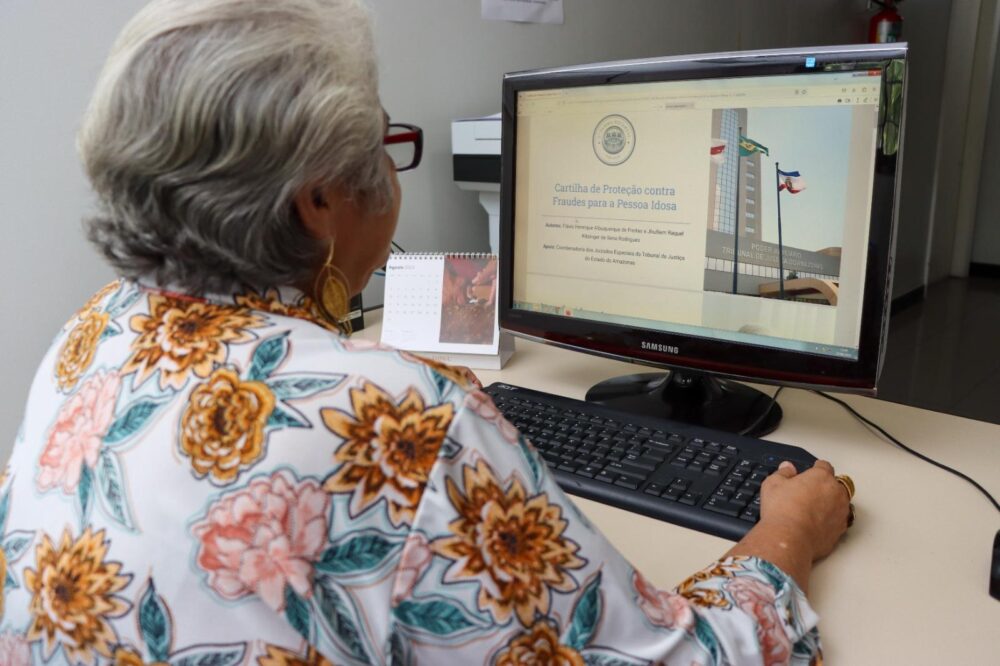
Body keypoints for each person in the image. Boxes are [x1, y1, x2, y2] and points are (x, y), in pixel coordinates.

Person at [0, 1, 851, 664]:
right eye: (381, 143)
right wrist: (790, 532)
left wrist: (370, 381)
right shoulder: (406, 420)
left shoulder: (91, 334)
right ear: (318, 200)